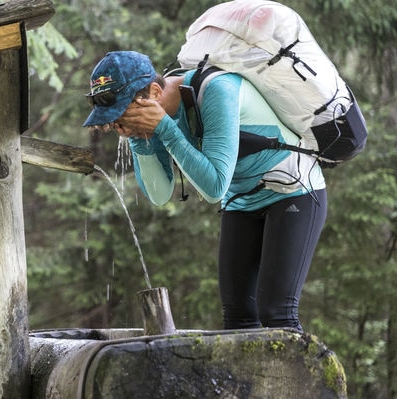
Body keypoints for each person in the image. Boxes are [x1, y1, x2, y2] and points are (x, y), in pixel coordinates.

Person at [83, 51, 327, 333]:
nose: (121, 128)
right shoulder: (148, 120)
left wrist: (165, 128)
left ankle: (301, 378)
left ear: (154, 92)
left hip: (294, 192)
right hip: (241, 201)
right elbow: (159, 194)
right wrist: (140, 140)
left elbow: (213, 188)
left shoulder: (216, 90)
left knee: (277, 313)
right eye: (114, 123)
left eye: (124, 116)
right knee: (238, 318)